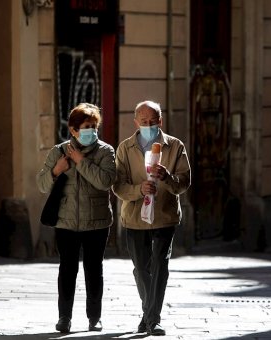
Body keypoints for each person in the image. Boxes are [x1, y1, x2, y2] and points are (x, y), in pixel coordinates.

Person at [112, 100, 191, 336]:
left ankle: (152, 319)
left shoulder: (175, 147)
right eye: (144, 122)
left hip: (165, 216)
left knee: (160, 264)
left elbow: (184, 182)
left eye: (153, 121)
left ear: (160, 121)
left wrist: (166, 177)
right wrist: (139, 190)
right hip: (135, 217)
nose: (148, 125)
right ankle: (149, 313)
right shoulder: (125, 149)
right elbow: (118, 185)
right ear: (136, 122)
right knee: (140, 268)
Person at [36, 103, 116, 333]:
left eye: (94, 126)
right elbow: (42, 185)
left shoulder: (105, 152)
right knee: (67, 270)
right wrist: (56, 170)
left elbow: (104, 181)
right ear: (73, 130)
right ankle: (64, 317)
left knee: (94, 269)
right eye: (85, 127)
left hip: (97, 222)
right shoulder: (58, 152)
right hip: (66, 222)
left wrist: (81, 161)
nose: (91, 130)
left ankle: (94, 317)